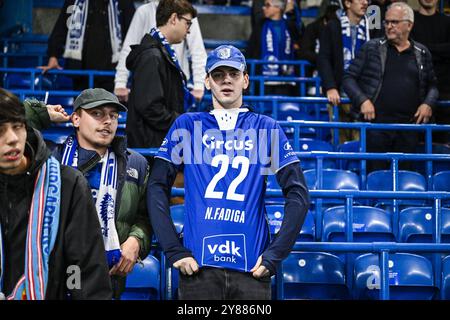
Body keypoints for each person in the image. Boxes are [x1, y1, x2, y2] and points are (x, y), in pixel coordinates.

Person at [148, 45, 310, 300]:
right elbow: (156, 185)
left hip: (252, 269)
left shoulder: (265, 128)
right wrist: (173, 249)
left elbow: (299, 194)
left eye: (233, 74)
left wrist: (274, 255)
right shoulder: (188, 126)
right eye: (218, 74)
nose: (226, 80)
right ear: (207, 81)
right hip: (198, 267)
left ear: (245, 80)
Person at [25, 88, 152, 299]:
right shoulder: (50, 162)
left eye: (113, 115)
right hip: (55, 273)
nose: (107, 121)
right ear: (76, 119)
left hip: (107, 275)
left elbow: (145, 217)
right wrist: (41, 114)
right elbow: (8, 128)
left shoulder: (136, 164)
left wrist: (136, 241)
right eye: (97, 114)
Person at [0, 88, 112, 300]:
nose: (13, 139)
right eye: (0, 131)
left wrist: (75, 289)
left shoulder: (67, 185)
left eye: (17, 127)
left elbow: (83, 273)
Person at [343, 2, 438, 171]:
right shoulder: (371, 48)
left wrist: (428, 103)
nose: (389, 26)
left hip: (408, 129)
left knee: (405, 178)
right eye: (386, 22)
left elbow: (433, 85)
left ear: (409, 25)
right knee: (376, 177)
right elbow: (348, 79)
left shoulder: (422, 52)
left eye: (394, 22)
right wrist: (362, 100)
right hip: (376, 127)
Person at [125, 0, 197, 149]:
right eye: (188, 23)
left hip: (156, 140)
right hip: (151, 144)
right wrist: (181, 122)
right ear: (174, 18)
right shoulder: (152, 56)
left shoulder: (159, 53)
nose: (189, 30)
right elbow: (150, 107)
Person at [114, 0, 207, 103]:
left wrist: (199, 85)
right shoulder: (143, 11)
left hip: (177, 85)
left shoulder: (185, 12)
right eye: (187, 24)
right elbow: (129, 46)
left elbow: (198, 51)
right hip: (147, 83)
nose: (188, 29)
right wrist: (120, 83)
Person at [39, 0, 135, 92]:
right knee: (82, 106)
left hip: (112, 73)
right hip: (81, 72)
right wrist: (53, 56)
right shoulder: (74, 1)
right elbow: (61, 28)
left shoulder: (123, 2)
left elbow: (133, 35)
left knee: (109, 108)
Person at [318, 0, 370, 143]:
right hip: (338, 96)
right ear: (347, 3)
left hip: (364, 96)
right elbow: (324, 58)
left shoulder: (371, 28)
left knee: (360, 144)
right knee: (339, 142)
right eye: (360, 0)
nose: (365, 3)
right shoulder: (332, 26)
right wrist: (330, 87)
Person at [411, 0, 450, 144]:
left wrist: (425, 48)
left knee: (444, 146)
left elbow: (419, 49)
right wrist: (441, 51)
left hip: (445, 92)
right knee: (416, 145)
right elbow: (411, 50)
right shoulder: (410, 21)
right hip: (416, 93)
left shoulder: (447, 22)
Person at [247, 0, 302, 96]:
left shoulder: (290, 26)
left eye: (268, 5)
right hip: (264, 80)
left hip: (287, 80)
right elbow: (252, 50)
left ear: (278, 8)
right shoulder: (260, 26)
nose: (264, 8)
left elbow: (299, 44)